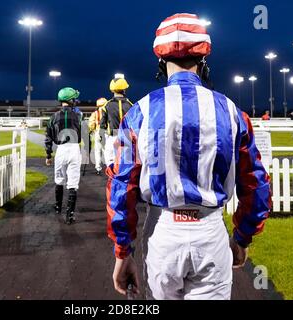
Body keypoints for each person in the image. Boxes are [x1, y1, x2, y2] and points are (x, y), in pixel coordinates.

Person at [106, 13, 271, 300]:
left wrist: (123, 251)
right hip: (210, 230)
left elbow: (122, 185)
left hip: (163, 232)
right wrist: (243, 237)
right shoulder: (232, 111)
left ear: (160, 61)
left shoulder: (140, 112)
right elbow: (255, 183)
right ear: (203, 60)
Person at [45, 87, 83, 225]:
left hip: (60, 150)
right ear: (71, 100)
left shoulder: (53, 117)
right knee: (73, 183)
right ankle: (70, 215)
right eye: (74, 99)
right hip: (74, 149)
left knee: (59, 179)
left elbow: (48, 137)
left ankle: (58, 207)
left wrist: (48, 155)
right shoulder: (79, 115)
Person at [100, 77, 133, 166]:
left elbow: (102, 125)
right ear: (124, 90)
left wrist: (101, 138)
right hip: (126, 138)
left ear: (112, 90)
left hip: (112, 138)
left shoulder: (107, 105)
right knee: (126, 166)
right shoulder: (130, 105)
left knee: (111, 166)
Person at [89, 98, 108, 175]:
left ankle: (98, 168)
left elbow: (91, 124)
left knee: (97, 151)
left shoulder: (95, 113)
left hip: (97, 132)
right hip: (106, 132)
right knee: (106, 151)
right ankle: (109, 167)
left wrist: (91, 129)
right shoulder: (107, 111)